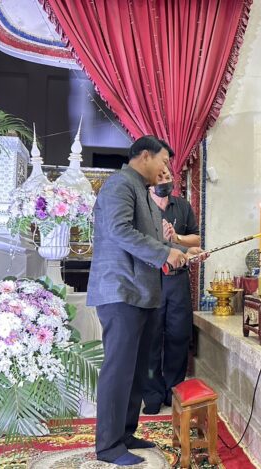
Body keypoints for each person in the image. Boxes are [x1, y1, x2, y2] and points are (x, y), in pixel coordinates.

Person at [87, 136, 204, 466]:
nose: (166, 168)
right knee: (119, 370)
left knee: (138, 370)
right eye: (164, 160)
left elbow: (153, 241)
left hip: (142, 293)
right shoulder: (120, 184)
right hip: (121, 291)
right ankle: (108, 446)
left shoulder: (144, 192)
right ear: (145, 156)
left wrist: (183, 251)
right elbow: (120, 230)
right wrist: (166, 254)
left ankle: (125, 434)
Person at [142, 168, 200, 414]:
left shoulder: (182, 206)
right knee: (151, 339)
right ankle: (152, 394)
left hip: (177, 281)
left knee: (178, 336)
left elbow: (196, 240)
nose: (165, 181)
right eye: (160, 177)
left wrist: (178, 239)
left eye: (168, 177)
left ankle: (173, 391)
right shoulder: (141, 207)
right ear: (149, 181)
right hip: (151, 280)